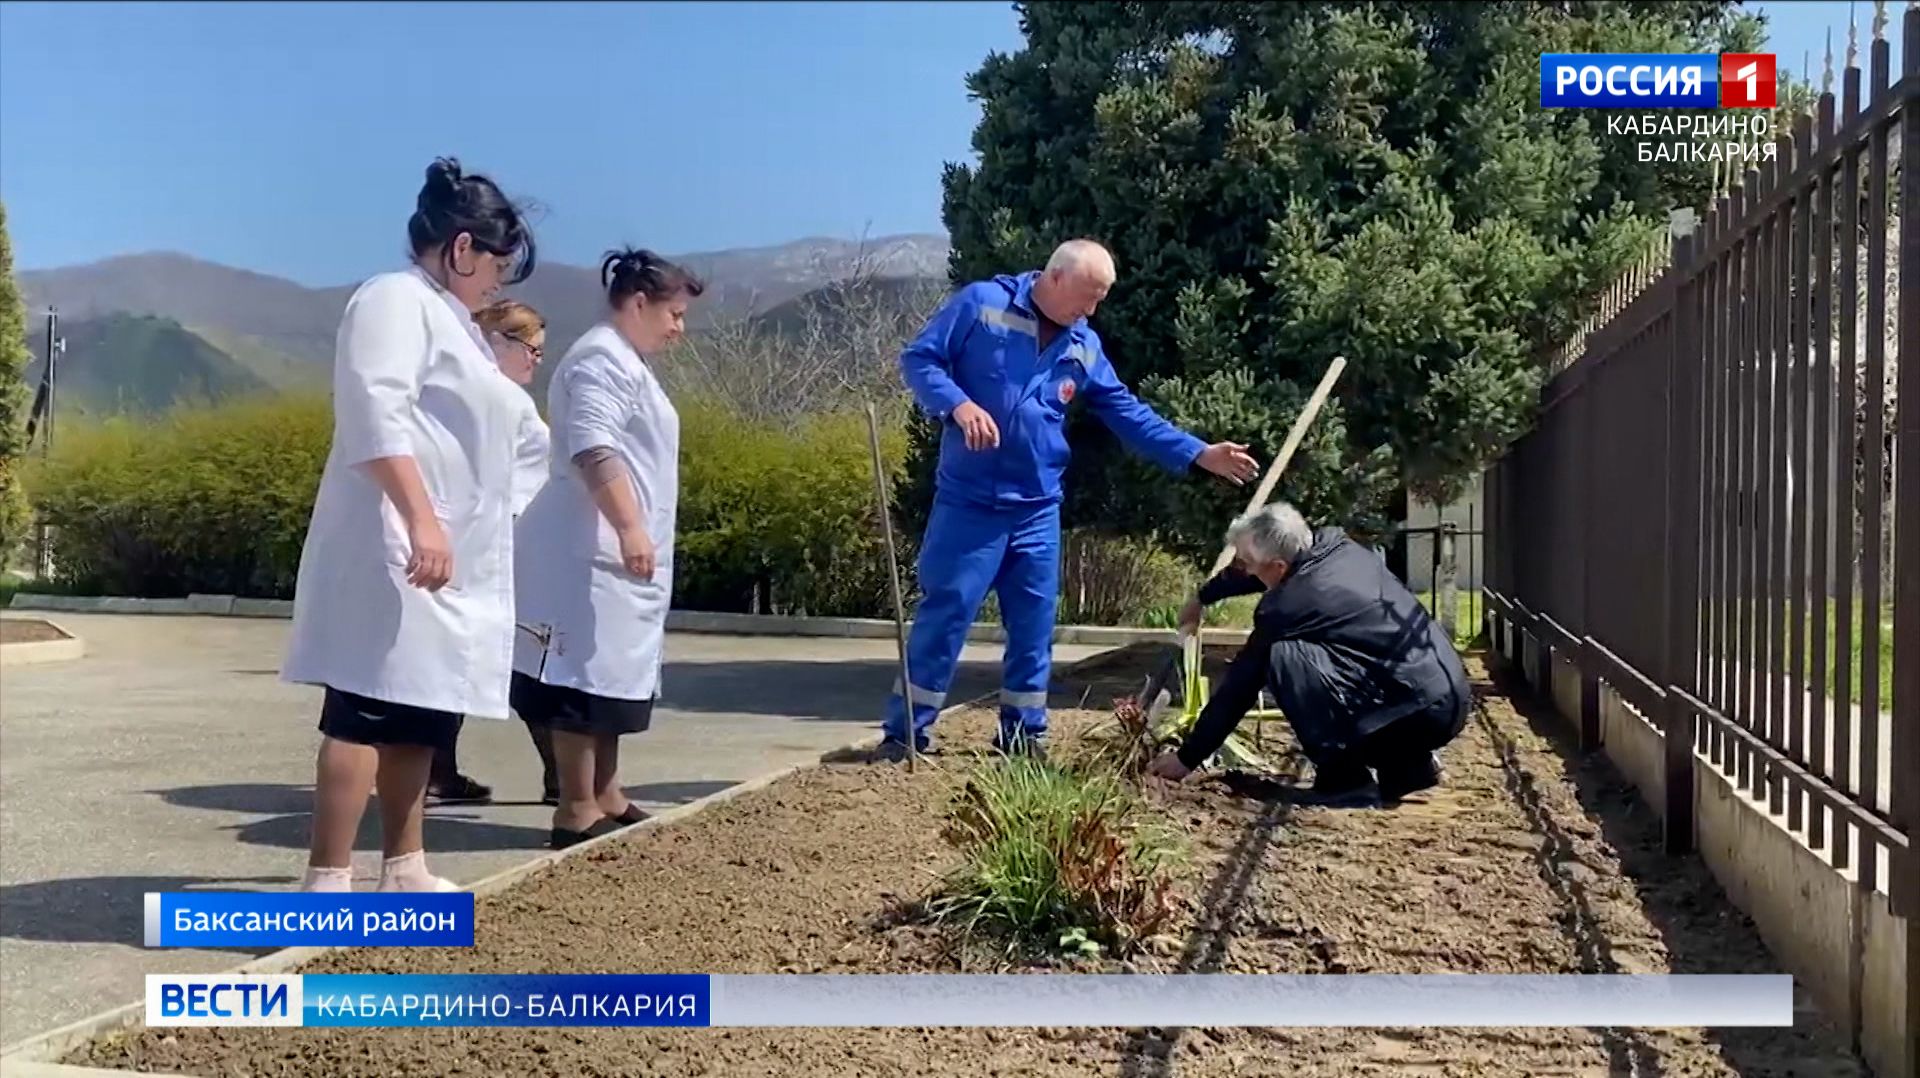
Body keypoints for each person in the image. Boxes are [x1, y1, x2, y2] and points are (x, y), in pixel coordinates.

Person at [880, 239, 1262, 760]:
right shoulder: (982, 304)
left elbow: (1128, 413)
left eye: (1100, 299)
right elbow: (921, 359)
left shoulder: (1083, 344)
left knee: (1035, 628)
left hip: (1037, 508)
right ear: (1055, 278)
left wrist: (1198, 453)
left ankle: (1022, 738)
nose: (1092, 310)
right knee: (945, 616)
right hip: (970, 504)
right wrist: (958, 406)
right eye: (1087, 297)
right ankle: (905, 736)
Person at [282, 157, 538, 892]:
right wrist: (422, 518)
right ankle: (327, 878)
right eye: (498, 264)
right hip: (397, 541)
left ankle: (405, 865)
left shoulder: (453, 321)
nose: (499, 281)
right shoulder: (392, 299)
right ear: (462, 248)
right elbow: (374, 408)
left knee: (419, 710)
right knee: (363, 705)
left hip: (444, 555)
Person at [508, 248, 705, 849]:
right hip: (585, 550)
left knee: (613, 680)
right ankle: (574, 808)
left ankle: (608, 793)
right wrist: (629, 526)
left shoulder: (625, 361)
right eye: (673, 313)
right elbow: (594, 447)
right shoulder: (599, 360)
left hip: (612, 559)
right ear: (638, 302)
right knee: (578, 681)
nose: (679, 328)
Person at [1144, 501, 1472, 806]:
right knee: (1347, 661)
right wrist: (1204, 597)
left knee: (1283, 657)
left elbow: (1239, 688)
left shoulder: (1286, 608)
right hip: (1447, 696)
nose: (1243, 570)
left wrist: (1187, 757)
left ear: (1277, 565)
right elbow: (1269, 573)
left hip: (1418, 716)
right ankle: (1410, 767)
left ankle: (1344, 781)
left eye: (1247, 563)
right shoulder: (1335, 545)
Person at [427, 299, 559, 806]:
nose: (535, 360)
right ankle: (563, 780)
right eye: (531, 349)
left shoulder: (457, 395)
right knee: (523, 667)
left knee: (450, 665)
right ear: (496, 342)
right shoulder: (504, 400)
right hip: (498, 548)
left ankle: (438, 773)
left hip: (469, 544)